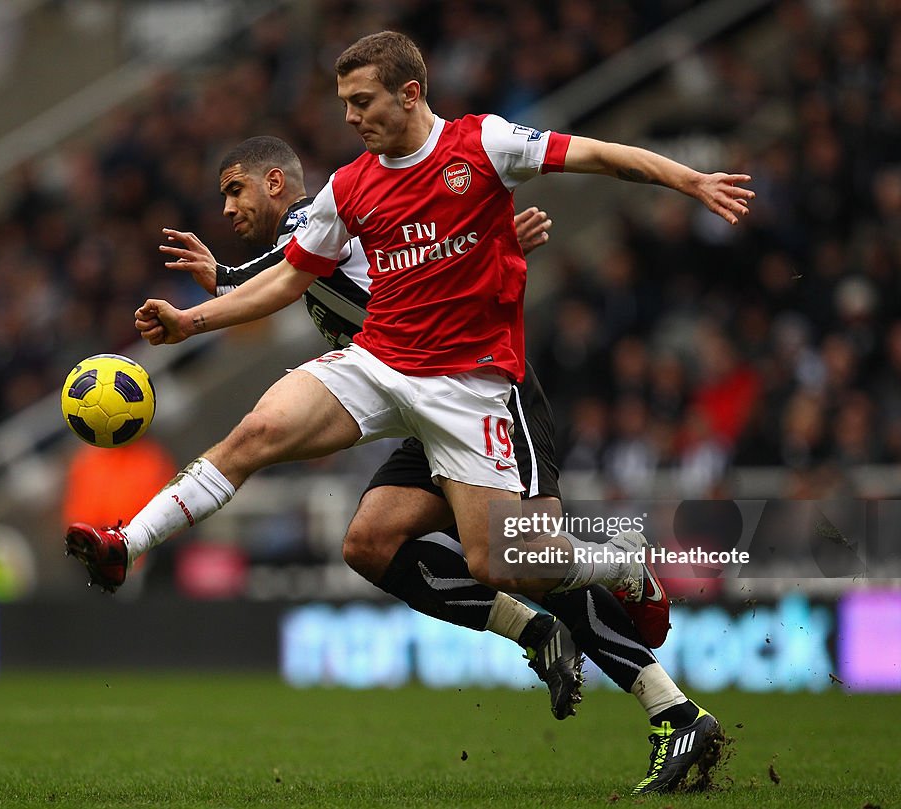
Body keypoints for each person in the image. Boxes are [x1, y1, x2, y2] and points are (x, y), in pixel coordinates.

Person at [68, 31, 752, 794]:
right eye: (344, 104)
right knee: (329, 502)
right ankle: (127, 542)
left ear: (410, 93)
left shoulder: (482, 142)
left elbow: (595, 154)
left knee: (508, 560)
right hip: (385, 366)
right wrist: (194, 321)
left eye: (362, 101)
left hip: (483, 391)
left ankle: (639, 621)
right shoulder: (348, 188)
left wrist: (688, 179)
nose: (352, 116)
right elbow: (291, 280)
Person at [157, 135, 673, 727]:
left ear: (274, 182)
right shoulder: (360, 225)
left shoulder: (310, 218)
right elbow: (422, 255)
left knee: (525, 557)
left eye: (234, 190)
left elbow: (285, 268)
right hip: (426, 406)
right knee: (371, 544)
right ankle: (534, 630)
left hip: (493, 395)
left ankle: (666, 692)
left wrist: (222, 278)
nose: (227, 208)